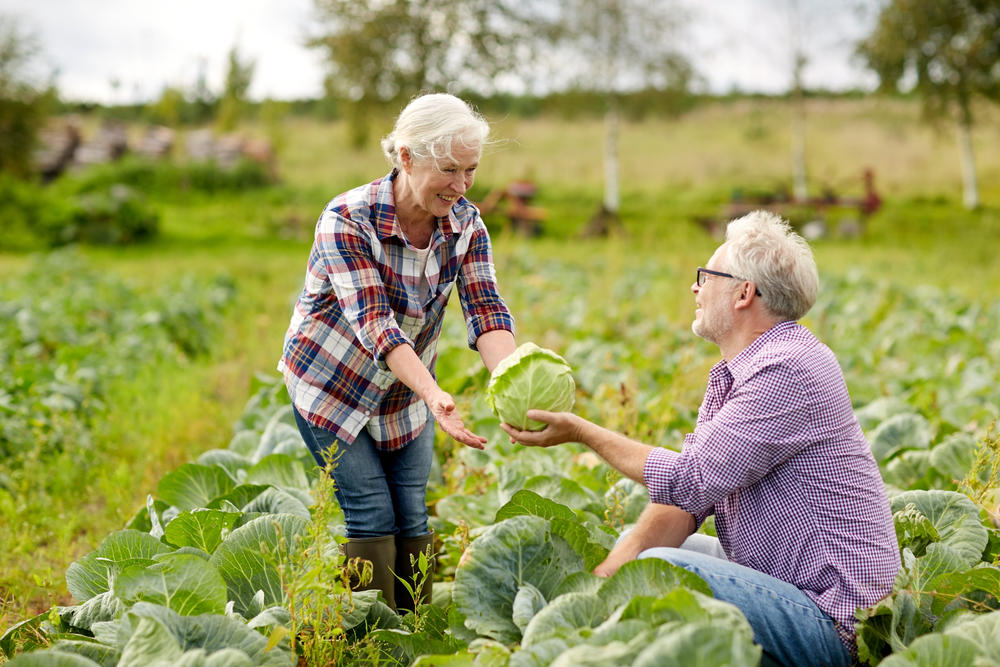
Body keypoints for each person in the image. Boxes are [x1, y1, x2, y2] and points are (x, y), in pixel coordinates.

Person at [502, 210, 900, 666]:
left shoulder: (786, 369)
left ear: (743, 293)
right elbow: (689, 502)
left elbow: (688, 478)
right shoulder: (739, 372)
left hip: (832, 618)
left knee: (669, 570)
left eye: (705, 276)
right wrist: (614, 569)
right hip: (784, 586)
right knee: (655, 551)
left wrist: (581, 432)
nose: (695, 288)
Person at [279, 93, 516, 612]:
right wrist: (435, 395)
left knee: (412, 516)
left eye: (470, 170)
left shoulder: (466, 226)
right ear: (406, 157)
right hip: (331, 383)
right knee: (370, 513)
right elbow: (376, 327)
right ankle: (371, 640)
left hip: (406, 395)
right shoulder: (346, 218)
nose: (460, 186)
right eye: (448, 169)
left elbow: (487, 310)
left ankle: (413, 635)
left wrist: (514, 380)